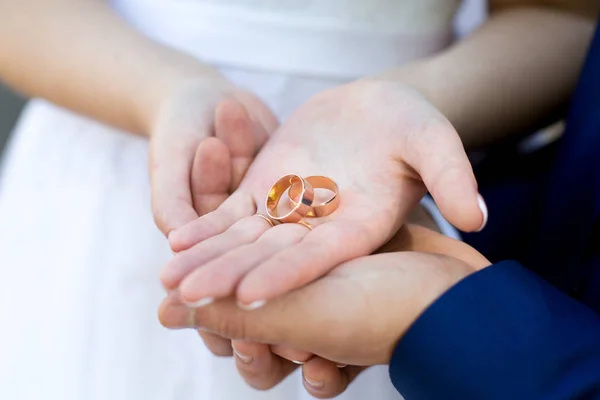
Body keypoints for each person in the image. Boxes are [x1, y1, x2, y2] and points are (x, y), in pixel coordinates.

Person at [0, 1, 595, 400]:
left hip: (388, 179)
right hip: (110, 121)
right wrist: (165, 90)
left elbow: (564, 17)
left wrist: (414, 99)